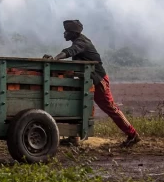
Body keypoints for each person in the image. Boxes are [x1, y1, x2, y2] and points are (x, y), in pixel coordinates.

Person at [43, 20, 140, 148]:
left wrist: (55, 58)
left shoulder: (82, 42)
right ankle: (74, 138)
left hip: (98, 80)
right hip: (87, 81)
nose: (64, 33)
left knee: (110, 108)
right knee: (78, 105)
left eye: (66, 31)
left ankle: (133, 135)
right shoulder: (79, 41)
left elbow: (70, 51)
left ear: (73, 33)